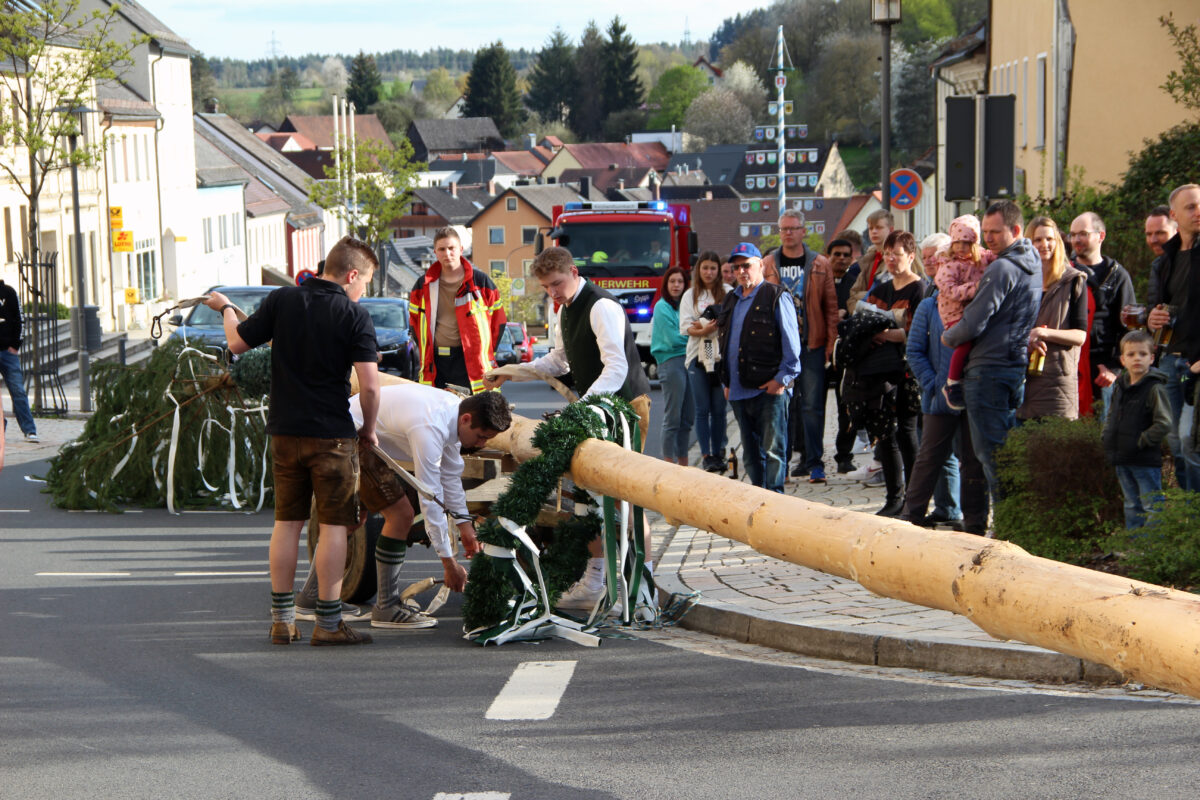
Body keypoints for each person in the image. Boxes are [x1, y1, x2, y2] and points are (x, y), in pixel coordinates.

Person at [204, 235, 381, 647]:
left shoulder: (283, 300)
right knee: (335, 527)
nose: (363, 291)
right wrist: (368, 430)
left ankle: (282, 621)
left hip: (284, 431)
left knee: (287, 523)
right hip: (332, 435)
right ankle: (329, 623)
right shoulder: (354, 316)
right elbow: (370, 387)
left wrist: (227, 307)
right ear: (351, 274)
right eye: (365, 283)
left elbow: (237, 343)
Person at [483, 246, 652, 609]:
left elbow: (616, 368)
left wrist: (584, 408)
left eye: (557, 284)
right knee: (589, 495)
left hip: (626, 407)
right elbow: (560, 360)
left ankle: (644, 586)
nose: (553, 293)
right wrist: (511, 372)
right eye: (546, 288)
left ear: (574, 272)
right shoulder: (564, 309)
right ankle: (595, 581)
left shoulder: (601, 306)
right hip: (598, 408)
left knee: (626, 498)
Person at [942, 200, 1042, 506]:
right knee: (1006, 451)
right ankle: (1012, 522)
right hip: (1014, 367)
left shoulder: (1001, 268)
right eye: (984, 232)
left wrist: (949, 337)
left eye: (995, 232)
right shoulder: (1034, 263)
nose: (988, 239)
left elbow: (975, 321)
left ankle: (1007, 528)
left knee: (992, 456)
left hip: (988, 369)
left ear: (1015, 229)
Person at [898, 263, 988, 534]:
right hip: (939, 396)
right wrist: (933, 385)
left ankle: (975, 522)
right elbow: (914, 351)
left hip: (972, 393)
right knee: (929, 456)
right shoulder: (929, 305)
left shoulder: (978, 302)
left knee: (973, 459)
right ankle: (911, 516)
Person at [716, 242, 801, 493]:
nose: (742, 271)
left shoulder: (776, 295)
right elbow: (724, 342)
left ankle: (776, 502)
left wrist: (782, 380)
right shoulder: (731, 298)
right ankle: (759, 498)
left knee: (774, 451)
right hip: (738, 390)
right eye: (737, 267)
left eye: (747, 265)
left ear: (761, 265)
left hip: (769, 390)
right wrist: (726, 382)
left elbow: (792, 345)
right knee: (751, 455)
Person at [762, 210, 838, 483]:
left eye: (793, 228)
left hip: (811, 345)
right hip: (778, 348)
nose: (788, 233)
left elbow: (831, 309)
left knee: (813, 407)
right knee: (779, 406)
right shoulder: (768, 264)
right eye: (784, 229)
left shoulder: (820, 264)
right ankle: (781, 464)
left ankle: (815, 462)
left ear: (803, 231)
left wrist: (830, 344)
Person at [859, 231, 928, 516]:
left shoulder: (919, 288)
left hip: (907, 371)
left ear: (911, 256)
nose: (890, 259)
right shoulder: (882, 287)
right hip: (879, 372)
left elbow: (914, 332)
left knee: (907, 433)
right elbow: (863, 320)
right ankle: (893, 497)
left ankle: (914, 500)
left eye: (896, 254)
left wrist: (884, 333)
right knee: (884, 434)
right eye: (887, 254)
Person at [410, 227, 506, 393]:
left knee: (476, 413)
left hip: (471, 362)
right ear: (435, 252)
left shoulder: (480, 282)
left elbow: (499, 321)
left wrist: (487, 352)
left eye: (451, 248)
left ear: (461, 249)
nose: (447, 253)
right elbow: (414, 324)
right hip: (436, 363)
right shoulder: (422, 285)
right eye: (442, 249)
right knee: (438, 414)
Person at [1148, 183, 1200, 491]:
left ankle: (1194, 516)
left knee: (1188, 439)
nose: (1198, 212)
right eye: (1191, 207)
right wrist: (1151, 319)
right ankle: (1183, 517)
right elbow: (1153, 311)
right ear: (1174, 215)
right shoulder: (1163, 261)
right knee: (1176, 443)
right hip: (1169, 360)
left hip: (1196, 363)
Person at [1018, 217, 1089, 421]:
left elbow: (1080, 335)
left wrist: (1043, 332)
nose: (1044, 245)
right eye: (1037, 240)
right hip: (1023, 377)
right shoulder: (1020, 280)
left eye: (1049, 239)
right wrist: (1026, 341)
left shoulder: (1074, 280)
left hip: (1057, 380)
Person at [1069, 212, 1134, 420]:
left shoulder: (1117, 275)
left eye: (1083, 234)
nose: (1077, 240)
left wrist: (1115, 368)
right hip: (1070, 364)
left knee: (1103, 431)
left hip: (1102, 369)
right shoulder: (1064, 271)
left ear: (1101, 236)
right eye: (1073, 234)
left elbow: (1129, 328)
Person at [1102, 331, 1170, 529]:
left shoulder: (1154, 388)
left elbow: (1164, 422)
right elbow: (1111, 414)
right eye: (1131, 354)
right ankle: (1133, 546)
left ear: (1152, 358)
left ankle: (1152, 549)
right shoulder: (1120, 386)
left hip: (1145, 459)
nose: (1137, 358)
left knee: (1151, 505)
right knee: (1131, 503)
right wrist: (1106, 436)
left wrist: (1141, 441)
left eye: (1142, 354)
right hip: (1121, 456)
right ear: (1123, 360)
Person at [935, 216, 997, 410]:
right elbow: (951, 291)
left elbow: (999, 259)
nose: (961, 247)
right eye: (958, 243)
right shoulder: (948, 266)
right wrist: (977, 287)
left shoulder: (982, 258)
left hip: (973, 311)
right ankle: (952, 382)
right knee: (965, 343)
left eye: (967, 243)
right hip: (954, 313)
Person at [679, 250, 730, 473]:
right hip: (697, 356)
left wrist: (702, 325)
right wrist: (706, 328)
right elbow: (686, 328)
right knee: (702, 408)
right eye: (705, 268)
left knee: (719, 408)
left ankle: (719, 451)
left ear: (718, 271)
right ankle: (706, 454)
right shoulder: (690, 295)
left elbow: (730, 323)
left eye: (713, 268)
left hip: (720, 355)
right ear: (698, 270)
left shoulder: (727, 292)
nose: (709, 272)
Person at [651, 267, 694, 466]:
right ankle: (668, 463)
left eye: (680, 281)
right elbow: (673, 339)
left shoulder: (688, 306)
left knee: (687, 418)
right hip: (671, 362)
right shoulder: (661, 307)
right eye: (672, 282)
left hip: (690, 360)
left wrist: (694, 334)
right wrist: (696, 335)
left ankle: (683, 463)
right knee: (673, 417)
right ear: (666, 285)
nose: (676, 285)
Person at [826, 238, 862, 474]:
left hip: (846, 353)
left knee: (846, 406)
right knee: (812, 408)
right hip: (821, 351)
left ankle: (844, 455)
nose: (841, 258)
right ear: (828, 256)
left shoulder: (854, 283)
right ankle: (809, 457)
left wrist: (846, 315)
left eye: (845, 255)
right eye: (836, 254)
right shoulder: (821, 281)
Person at [0, 278, 38, 442]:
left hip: (8, 352)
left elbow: (20, 319)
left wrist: (16, 345)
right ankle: (2, 426)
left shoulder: (9, 292)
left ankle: (29, 430)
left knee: (18, 392)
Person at [847, 210, 895, 310]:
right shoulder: (869, 259)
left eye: (879, 227)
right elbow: (852, 296)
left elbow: (890, 294)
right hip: (867, 319)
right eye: (871, 228)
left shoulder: (897, 258)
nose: (874, 231)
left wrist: (866, 297)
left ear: (891, 230)